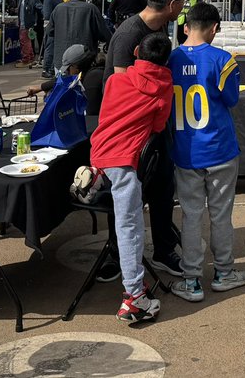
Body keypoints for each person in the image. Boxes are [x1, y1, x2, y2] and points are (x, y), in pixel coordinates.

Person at [166, 3, 245, 301]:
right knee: (220, 214)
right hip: (219, 148)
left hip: (185, 151)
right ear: (214, 28)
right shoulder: (223, 59)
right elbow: (231, 99)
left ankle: (191, 280)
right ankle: (224, 273)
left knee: (190, 215)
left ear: (186, 26)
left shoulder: (169, 59)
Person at [104, 0, 186, 279]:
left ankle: (163, 249)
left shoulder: (159, 27)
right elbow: (121, 86)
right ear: (172, 4)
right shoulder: (129, 35)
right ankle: (117, 256)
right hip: (128, 136)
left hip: (155, 128)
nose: (184, 5)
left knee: (163, 188)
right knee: (127, 200)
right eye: (183, 0)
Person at [89, 33, 175, 323]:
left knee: (125, 224)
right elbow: (158, 126)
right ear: (166, 60)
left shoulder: (116, 80)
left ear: (137, 51)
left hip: (100, 152)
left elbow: (107, 112)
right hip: (125, 161)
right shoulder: (164, 88)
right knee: (130, 228)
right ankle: (134, 298)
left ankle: (95, 178)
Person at [50, 0, 111, 70]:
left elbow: (50, 31)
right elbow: (104, 34)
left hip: (61, 62)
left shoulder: (58, 8)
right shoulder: (91, 9)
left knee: (62, 79)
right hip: (84, 61)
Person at [40, 0, 66, 81]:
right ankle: (46, 69)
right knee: (50, 47)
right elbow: (47, 14)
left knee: (54, 47)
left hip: (57, 25)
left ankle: (51, 68)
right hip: (50, 26)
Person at [15, 0, 42, 68]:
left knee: (24, 42)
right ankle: (30, 58)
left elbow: (40, 6)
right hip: (22, 22)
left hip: (28, 23)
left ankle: (26, 59)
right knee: (27, 42)